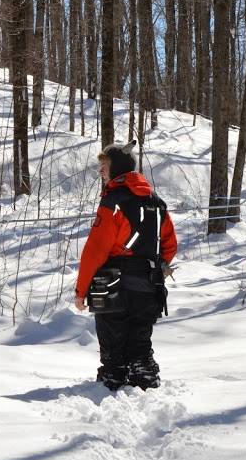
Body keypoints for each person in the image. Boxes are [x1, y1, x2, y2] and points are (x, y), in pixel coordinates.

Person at [74, 140, 178, 390]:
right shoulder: (156, 202)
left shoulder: (113, 202)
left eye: (105, 165)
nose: (101, 171)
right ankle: (144, 384)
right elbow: (170, 245)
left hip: (112, 286)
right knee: (140, 345)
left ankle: (111, 389)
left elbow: (95, 250)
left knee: (113, 356)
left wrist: (80, 291)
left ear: (117, 167)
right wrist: (158, 265)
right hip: (149, 287)